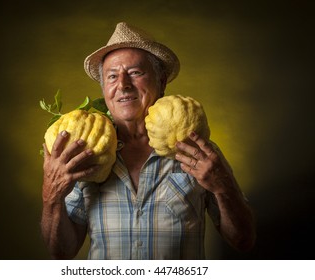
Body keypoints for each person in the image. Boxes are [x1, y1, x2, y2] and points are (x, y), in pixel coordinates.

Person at [40, 22, 256, 259]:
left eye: (135, 73)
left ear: (161, 82)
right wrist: (52, 196)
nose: (122, 85)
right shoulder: (82, 152)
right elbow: (61, 253)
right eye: (112, 76)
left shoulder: (197, 151)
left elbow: (243, 240)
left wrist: (224, 186)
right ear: (104, 90)